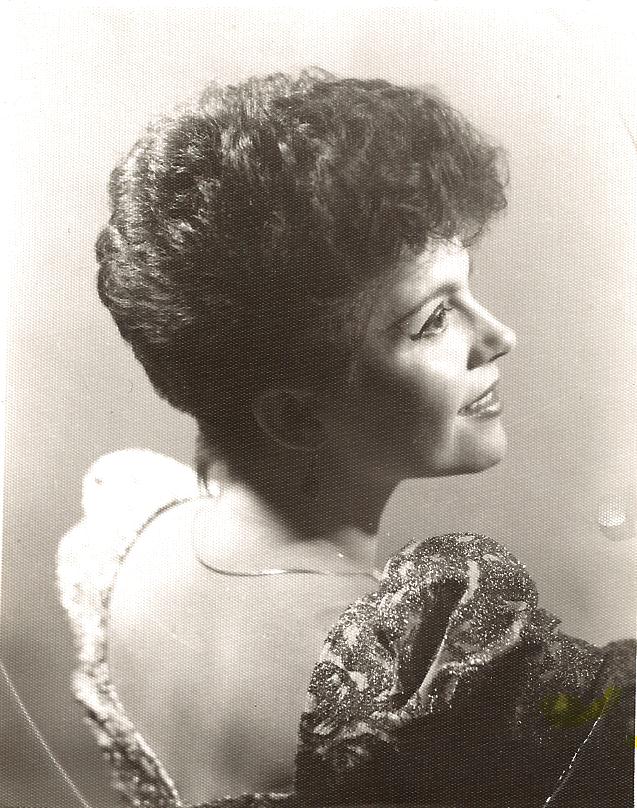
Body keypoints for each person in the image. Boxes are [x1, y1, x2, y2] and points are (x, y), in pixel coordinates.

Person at [58, 70, 634, 808]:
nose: (497, 336)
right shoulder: (420, 683)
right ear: (295, 417)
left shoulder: (128, 541)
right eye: (433, 320)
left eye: (468, 291)